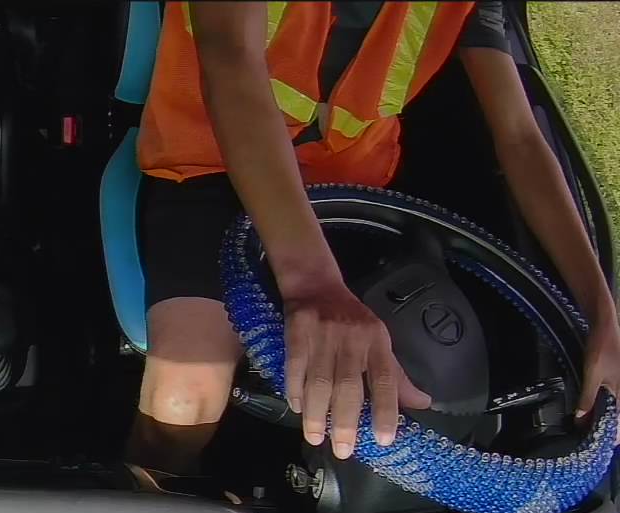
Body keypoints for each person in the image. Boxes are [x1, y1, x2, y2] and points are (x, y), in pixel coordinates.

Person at [128, 1, 620, 481]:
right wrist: (313, 281)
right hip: (211, 166)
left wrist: (603, 314)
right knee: (183, 401)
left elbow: (520, 138)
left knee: (436, 389)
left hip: (350, 191)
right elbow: (230, 58)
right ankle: (151, 498)